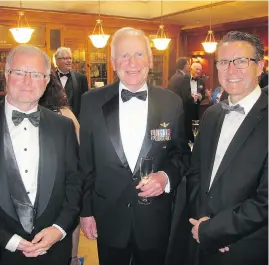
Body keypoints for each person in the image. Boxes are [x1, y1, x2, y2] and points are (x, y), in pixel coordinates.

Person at [79, 27, 190, 265]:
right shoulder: (90, 102)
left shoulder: (172, 102)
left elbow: (181, 154)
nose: (132, 63)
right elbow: (86, 163)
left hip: (155, 218)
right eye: (124, 55)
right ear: (112, 61)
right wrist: (86, 212)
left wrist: (166, 177)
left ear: (150, 59)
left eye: (139, 54)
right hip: (108, 216)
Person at [187, 31, 268, 265]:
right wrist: (204, 223)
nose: (231, 70)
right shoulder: (212, 114)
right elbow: (195, 173)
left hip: (248, 247)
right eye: (223, 62)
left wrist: (218, 230)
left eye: (241, 61)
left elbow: (265, 201)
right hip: (201, 237)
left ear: (260, 66)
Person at [0, 44, 81, 265]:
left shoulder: (63, 126)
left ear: (46, 81)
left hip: (53, 251)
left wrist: (59, 229)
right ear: (7, 75)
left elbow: (74, 184)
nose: (27, 81)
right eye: (19, 72)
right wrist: (7, 239)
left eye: (36, 74)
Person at [39, 71, 81, 265]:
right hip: (63, 182)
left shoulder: (61, 116)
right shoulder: (67, 113)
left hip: (48, 183)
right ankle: (72, 259)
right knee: (68, 221)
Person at [169, 62, 205, 142]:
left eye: (200, 70)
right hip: (186, 110)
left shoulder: (201, 82)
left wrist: (201, 97)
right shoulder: (184, 79)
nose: (199, 71)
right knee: (185, 132)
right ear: (191, 69)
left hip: (196, 110)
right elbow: (183, 94)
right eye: (197, 69)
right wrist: (192, 97)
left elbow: (203, 94)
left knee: (194, 132)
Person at [54, 47, 89, 118]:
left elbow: (86, 102)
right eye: (65, 58)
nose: (69, 61)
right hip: (54, 120)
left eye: (70, 58)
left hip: (75, 121)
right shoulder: (49, 78)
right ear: (57, 61)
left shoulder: (81, 78)